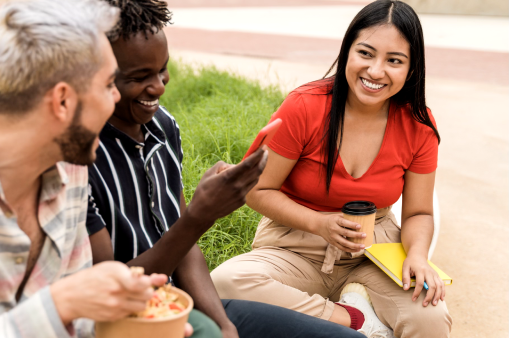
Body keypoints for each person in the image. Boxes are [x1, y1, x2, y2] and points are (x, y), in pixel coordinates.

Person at [0, 0, 195, 336]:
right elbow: (64, 306)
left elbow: (76, 321)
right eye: (107, 85)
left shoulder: (68, 170)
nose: (115, 98)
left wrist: (131, 325)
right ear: (62, 102)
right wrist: (61, 302)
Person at [86, 1, 365, 338]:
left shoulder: (162, 126)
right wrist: (199, 218)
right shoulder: (80, 158)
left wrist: (224, 325)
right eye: (139, 77)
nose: (159, 86)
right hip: (126, 321)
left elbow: (185, 249)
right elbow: (106, 290)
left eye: (162, 70)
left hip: (182, 304)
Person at [210, 1, 453, 337]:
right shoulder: (305, 105)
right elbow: (257, 190)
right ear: (347, 52)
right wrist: (320, 223)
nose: (376, 71)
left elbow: (419, 213)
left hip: (375, 254)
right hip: (296, 246)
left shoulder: (418, 124)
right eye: (366, 53)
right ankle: (355, 320)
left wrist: (417, 256)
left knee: (430, 317)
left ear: (411, 69)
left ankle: (356, 298)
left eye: (394, 61)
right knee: (224, 282)